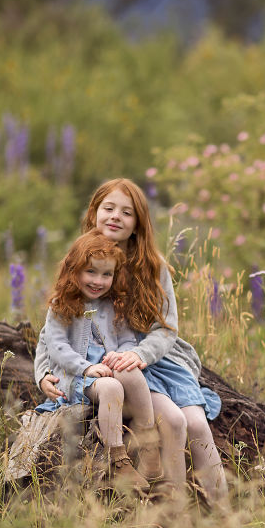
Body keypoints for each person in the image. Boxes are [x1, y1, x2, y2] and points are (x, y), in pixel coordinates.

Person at [35, 178, 228, 505]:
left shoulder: (153, 267)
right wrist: (41, 373)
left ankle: (221, 511)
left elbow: (167, 329)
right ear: (94, 212)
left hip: (151, 357)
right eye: (108, 208)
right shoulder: (84, 260)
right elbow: (54, 325)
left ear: (138, 223)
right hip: (110, 365)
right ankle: (167, 508)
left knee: (195, 422)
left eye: (126, 212)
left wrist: (139, 353)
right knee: (172, 420)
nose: (115, 217)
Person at [35, 229, 162, 495]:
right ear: (73, 270)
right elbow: (55, 347)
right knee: (111, 388)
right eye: (90, 272)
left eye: (106, 274)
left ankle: (149, 445)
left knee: (129, 370)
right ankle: (118, 458)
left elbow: (128, 339)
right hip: (76, 377)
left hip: (107, 368)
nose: (98, 281)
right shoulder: (62, 304)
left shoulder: (114, 305)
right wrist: (86, 367)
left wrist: (123, 354)